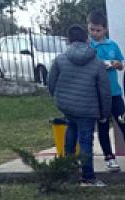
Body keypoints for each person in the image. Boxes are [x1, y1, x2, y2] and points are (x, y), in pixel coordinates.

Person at [46, 25, 111, 187]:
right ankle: (88, 177)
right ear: (86, 39)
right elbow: (104, 90)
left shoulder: (60, 59)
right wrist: (105, 113)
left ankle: (69, 172)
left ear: (69, 40)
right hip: (88, 108)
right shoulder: (97, 63)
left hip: (68, 106)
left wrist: (60, 99)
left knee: (70, 134)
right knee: (86, 141)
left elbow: (51, 83)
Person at [88, 10, 125, 173]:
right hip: (98, 95)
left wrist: (116, 64)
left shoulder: (112, 45)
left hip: (115, 93)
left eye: (98, 30)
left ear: (105, 29)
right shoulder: (88, 46)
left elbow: (122, 65)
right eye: (92, 29)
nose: (94, 33)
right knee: (103, 126)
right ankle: (109, 158)